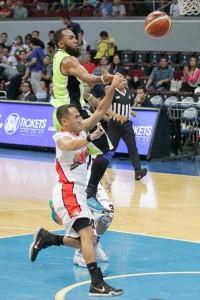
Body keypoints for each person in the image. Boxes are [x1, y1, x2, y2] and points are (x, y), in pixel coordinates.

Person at [29, 72, 125, 297]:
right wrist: (90, 138)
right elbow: (71, 146)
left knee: (86, 238)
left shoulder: (81, 129)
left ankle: (48, 238)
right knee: (87, 235)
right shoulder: (61, 137)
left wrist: (112, 87)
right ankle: (97, 283)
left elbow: (100, 110)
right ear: (65, 121)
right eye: (75, 116)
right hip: (67, 190)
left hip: (79, 191)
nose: (80, 117)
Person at [52, 28, 116, 212]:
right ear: (61, 43)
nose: (76, 40)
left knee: (77, 158)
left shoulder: (58, 58)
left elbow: (83, 91)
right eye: (71, 38)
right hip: (72, 113)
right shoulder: (68, 59)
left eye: (76, 37)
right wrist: (106, 78)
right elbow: (88, 77)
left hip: (62, 112)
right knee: (106, 150)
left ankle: (62, 198)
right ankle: (89, 194)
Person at [106, 80, 148, 180]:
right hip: (115, 125)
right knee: (111, 148)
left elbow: (126, 106)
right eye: (120, 81)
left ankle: (138, 171)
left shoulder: (128, 92)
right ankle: (99, 167)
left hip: (127, 125)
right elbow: (106, 109)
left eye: (124, 80)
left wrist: (131, 111)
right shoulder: (112, 92)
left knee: (132, 146)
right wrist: (117, 116)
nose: (123, 82)